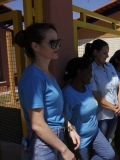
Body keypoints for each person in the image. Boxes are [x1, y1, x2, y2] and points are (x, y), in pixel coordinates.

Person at [15, 23, 80, 160]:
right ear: (36, 46)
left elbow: (55, 110)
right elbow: (37, 124)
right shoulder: (33, 77)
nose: (57, 46)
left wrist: (69, 127)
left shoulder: (48, 75)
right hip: (42, 144)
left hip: (54, 138)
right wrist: (64, 149)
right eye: (52, 43)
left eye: (58, 42)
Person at [62, 57, 115, 160]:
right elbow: (65, 124)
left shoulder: (87, 88)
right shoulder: (67, 94)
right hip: (80, 140)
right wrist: (74, 150)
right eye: (90, 72)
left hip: (95, 132)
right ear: (79, 72)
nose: (92, 75)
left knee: (109, 155)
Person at [83, 39, 120, 143]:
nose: (107, 56)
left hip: (114, 113)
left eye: (107, 53)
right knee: (100, 143)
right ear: (96, 52)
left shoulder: (109, 66)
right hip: (101, 116)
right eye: (105, 53)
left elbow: (119, 85)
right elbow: (95, 96)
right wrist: (115, 108)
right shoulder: (90, 70)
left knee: (109, 139)